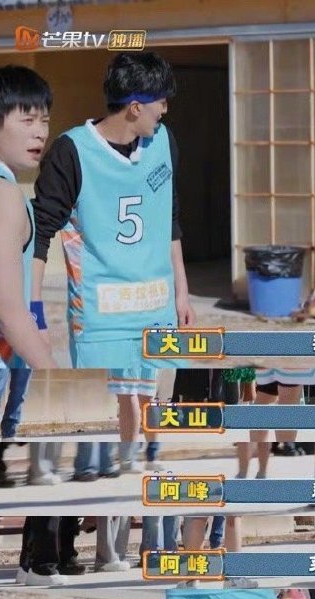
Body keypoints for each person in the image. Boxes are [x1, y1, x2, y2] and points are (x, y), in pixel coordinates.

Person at [31, 52, 195, 369]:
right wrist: (35, 315)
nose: (165, 109)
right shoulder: (71, 152)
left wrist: (182, 294)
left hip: (161, 321)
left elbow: (170, 220)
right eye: (161, 101)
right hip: (101, 327)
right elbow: (39, 237)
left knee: (166, 402)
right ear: (135, 108)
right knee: (107, 403)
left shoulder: (164, 141)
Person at [0, 66, 57, 368]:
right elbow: (10, 314)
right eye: (28, 120)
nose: (40, 132)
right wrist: (53, 375)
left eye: (45, 121)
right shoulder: (0, 192)